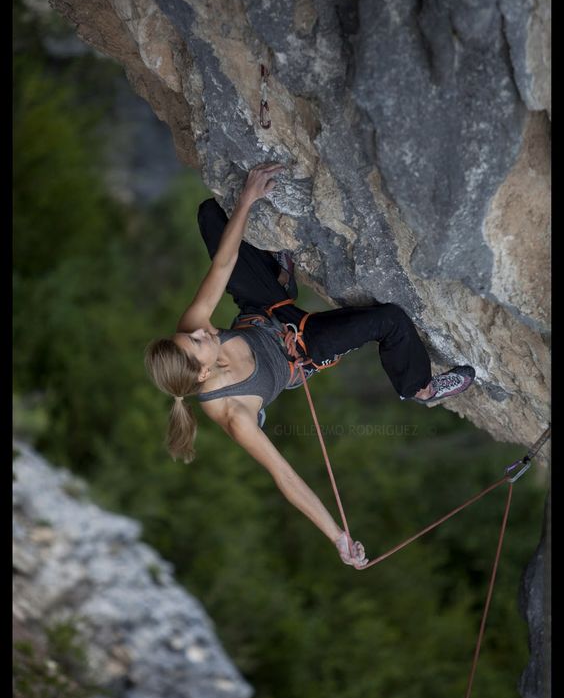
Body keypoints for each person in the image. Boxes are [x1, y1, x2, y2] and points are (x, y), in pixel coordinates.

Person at [144, 163, 475, 569]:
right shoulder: (234, 414)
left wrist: (248, 199)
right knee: (388, 320)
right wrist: (338, 537)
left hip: (261, 311)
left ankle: (281, 280)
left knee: (210, 216)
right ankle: (419, 387)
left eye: (191, 334)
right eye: (197, 343)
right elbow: (285, 477)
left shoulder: (194, 335)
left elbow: (223, 266)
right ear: (202, 375)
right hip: (302, 346)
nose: (201, 331)